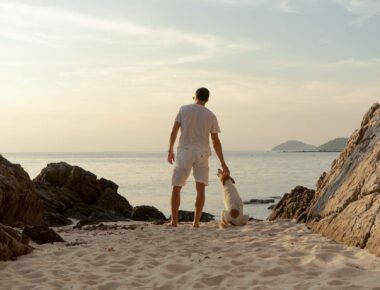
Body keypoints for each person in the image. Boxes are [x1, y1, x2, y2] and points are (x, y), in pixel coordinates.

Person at [167, 87, 230, 228]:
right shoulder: (211, 115)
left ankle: (174, 221)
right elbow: (216, 141)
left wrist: (170, 149)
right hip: (203, 153)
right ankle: (195, 223)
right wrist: (223, 163)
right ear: (207, 99)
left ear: (194, 96)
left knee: (176, 187)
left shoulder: (183, 109)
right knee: (200, 188)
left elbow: (174, 131)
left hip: (185, 151)